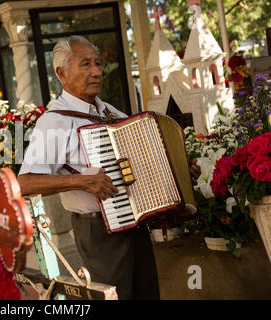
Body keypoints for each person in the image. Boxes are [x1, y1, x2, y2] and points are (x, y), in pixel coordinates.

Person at [17, 35, 200, 300]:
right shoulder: (54, 121)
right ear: (61, 73)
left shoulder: (110, 112)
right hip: (98, 231)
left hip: (134, 224)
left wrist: (180, 174)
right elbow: (25, 183)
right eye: (86, 64)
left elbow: (144, 163)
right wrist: (80, 181)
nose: (97, 72)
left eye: (99, 64)